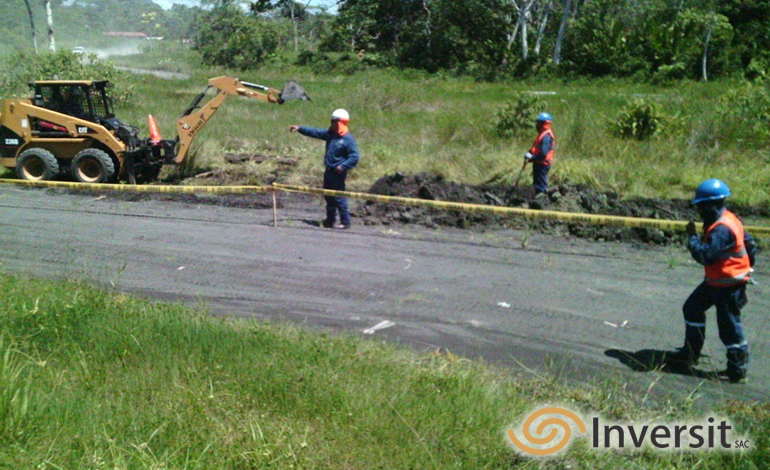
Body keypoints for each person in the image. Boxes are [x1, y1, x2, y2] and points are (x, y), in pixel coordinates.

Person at [671, 179, 757, 383]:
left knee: (729, 328)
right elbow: (750, 244)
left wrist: (692, 237)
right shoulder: (729, 219)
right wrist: (747, 269)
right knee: (692, 308)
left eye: (701, 206)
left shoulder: (721, 229)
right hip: (716, 282)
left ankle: (737, 370)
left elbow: (705, 256)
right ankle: (691, 353)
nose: (699, 210)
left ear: (712, 204)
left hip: (728, 287)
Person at [290, 109, 360, 229]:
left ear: (339, 122)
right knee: (328, 196)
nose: (331, 123)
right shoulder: (330, 135)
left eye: (333, 121)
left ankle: (345, 222)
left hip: (338, 173)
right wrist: (300, 129)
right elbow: (315, 132)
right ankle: (330, 220)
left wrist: (343, 166)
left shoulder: (348, 139)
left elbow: (355, 156)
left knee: (338, 197)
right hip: (329, 171)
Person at [524, 112, 555, 195]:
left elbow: (543, 153)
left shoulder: (547, 136)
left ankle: (541, 200)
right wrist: (530, 153)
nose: (537, 125)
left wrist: (532, 157)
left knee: (540, 186)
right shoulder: (542, 134)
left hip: (543, 164)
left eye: (539, 123)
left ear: (545, 124)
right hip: (538, 163)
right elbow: (536, 148)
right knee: (537, 184)